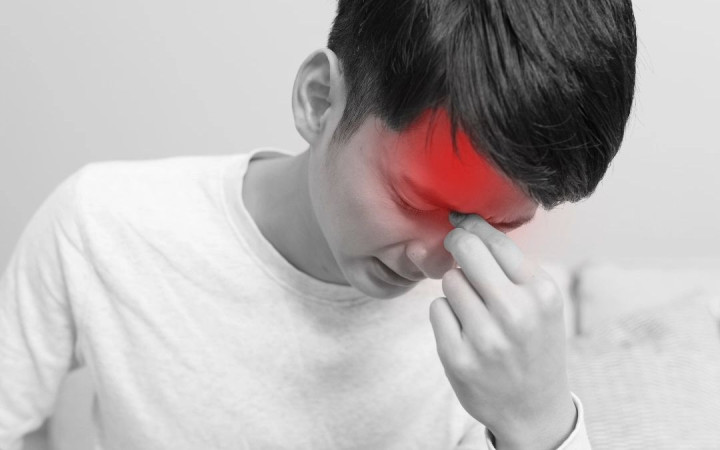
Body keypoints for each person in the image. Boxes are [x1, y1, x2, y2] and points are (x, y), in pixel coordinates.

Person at [0, 0, 637, 449]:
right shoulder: (102, 226)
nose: (437, 259)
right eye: (415, 200)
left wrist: (539, 424)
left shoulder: (503, 337)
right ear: (319, 101)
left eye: (494, 223)